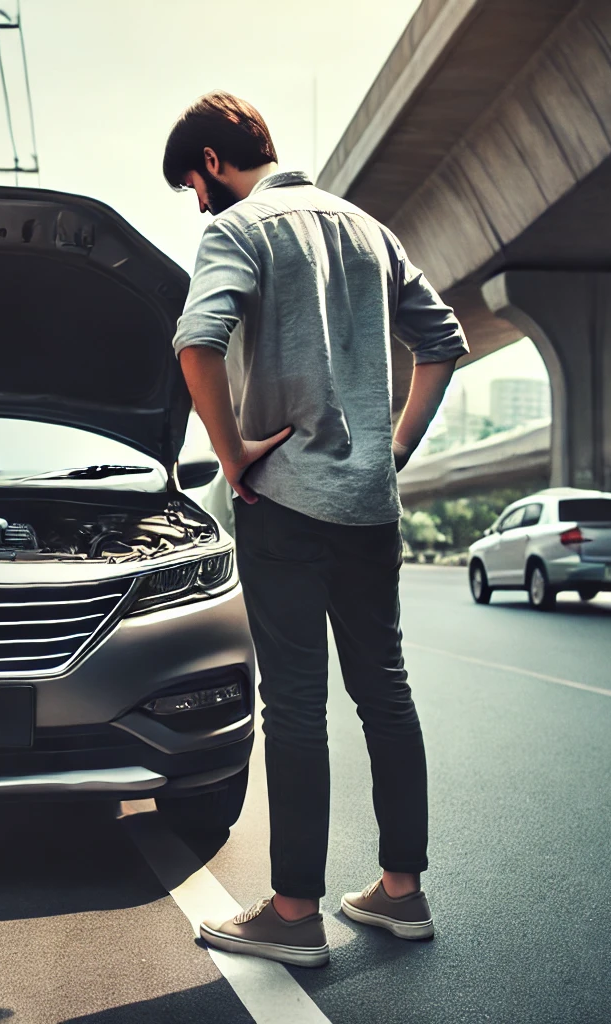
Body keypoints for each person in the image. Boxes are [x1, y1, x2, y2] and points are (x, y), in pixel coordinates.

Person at [163, 92, 469, 968]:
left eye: (193, 183)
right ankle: (401, 894)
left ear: (214, 163)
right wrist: (394, 447)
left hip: (285, 504)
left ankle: (295, 913)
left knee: (295, 704)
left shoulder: (240, 228)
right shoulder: (371, 230)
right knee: (386, 692)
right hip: (371, 509)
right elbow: (443, 342)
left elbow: (198, 342)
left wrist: (231, 454)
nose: (198, 202)